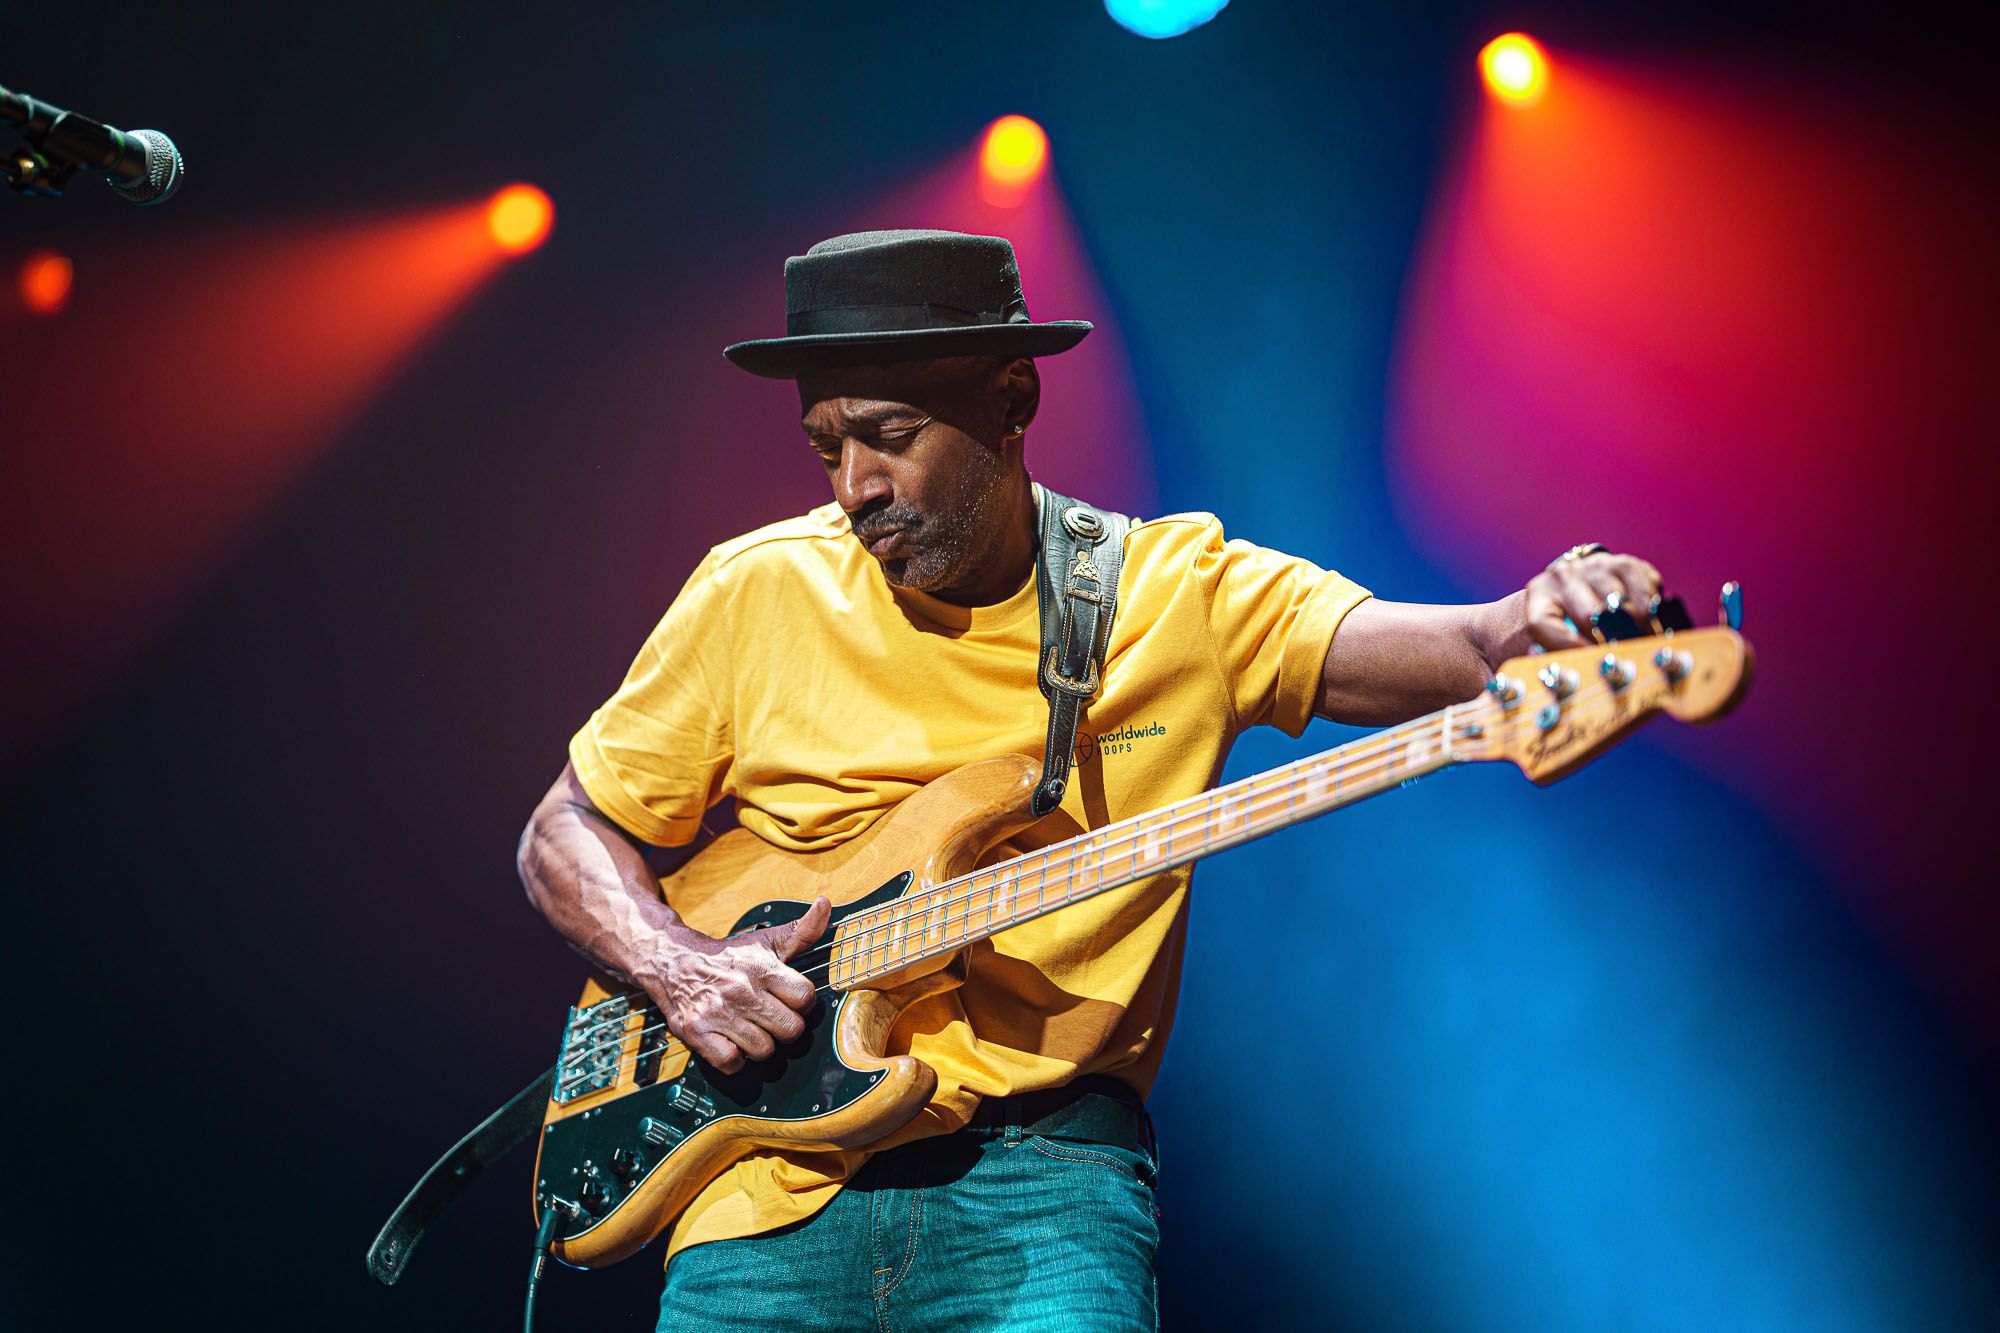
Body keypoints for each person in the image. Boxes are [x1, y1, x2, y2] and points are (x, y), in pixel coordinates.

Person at [516, 229, 1662, 1331]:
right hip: (759, 1192)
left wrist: (1531, 617)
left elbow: (1464, 645)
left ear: (1011, 397)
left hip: (1044, 1182)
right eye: (827, 447)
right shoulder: (756, 591)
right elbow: (563, 828)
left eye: (890, 434)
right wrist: (674, 964)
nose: (854, 484)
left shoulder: (1172, 594)